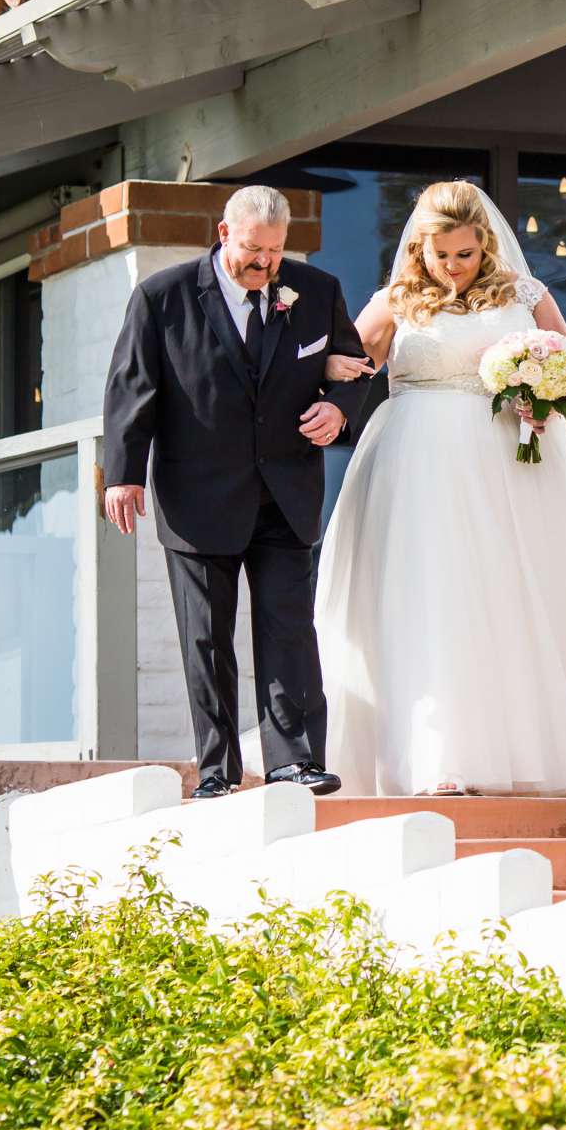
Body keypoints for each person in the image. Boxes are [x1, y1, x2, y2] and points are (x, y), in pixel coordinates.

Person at [312, 180, 566, 797]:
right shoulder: (396, 300)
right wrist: (332, 370)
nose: (453, 268)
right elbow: (347, 362)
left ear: (484, 243)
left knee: (510, 594)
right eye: (441, 255)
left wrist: (545, 396)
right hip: (414, 464)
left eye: (465, 255)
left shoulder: (526, 294)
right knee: (432, 596)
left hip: (506, 464)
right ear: (421, 247)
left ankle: (530, 754)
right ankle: (436, 759)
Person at [100, 185, 366, 799]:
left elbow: (352, 365)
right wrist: (123, 474)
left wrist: (337, 409)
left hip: (286, 491)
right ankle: (217, 771)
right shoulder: (161, 298)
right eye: (253, 249)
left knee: (289, 629)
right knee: (207, 638)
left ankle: (294, 763)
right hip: (198, 496)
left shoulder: (316, 291)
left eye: (274, 251)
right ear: (225, 234)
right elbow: (131, 389)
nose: (265, 263)